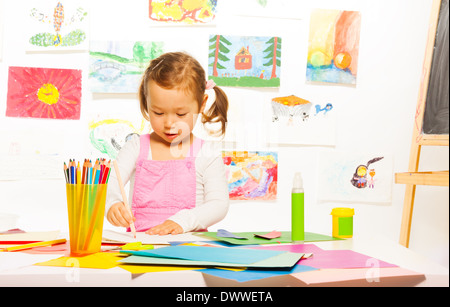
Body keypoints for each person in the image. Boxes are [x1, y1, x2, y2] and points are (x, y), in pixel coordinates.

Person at [105, 52, 229, 235]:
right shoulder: (136, 147)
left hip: (190, 245)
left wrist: (183, 221)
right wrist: (112, 204)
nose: (170, 124)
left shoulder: (206, 153)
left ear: (201, 105)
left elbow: (219, 204)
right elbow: (109, 183)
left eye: (180, 114)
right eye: (158, 113)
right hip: (140, 246)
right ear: (146, 102)